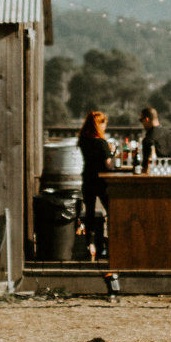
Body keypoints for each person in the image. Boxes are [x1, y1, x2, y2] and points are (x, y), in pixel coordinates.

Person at [77, 110, 114, 261]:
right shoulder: (101, 143)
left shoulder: (83, 140)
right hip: (101, 181)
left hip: (87, 179)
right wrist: (112, 153)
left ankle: (90, 245)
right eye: (104, 124)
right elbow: (109, 165)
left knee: (90, 213)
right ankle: (109, 242)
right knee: (112, 210)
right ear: (100, 124)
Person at [136, 106, 171, 171]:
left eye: (141, 120)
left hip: (156, 176)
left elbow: (146, 166)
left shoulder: (148, 139)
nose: (142, 123)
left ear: (147, 119)